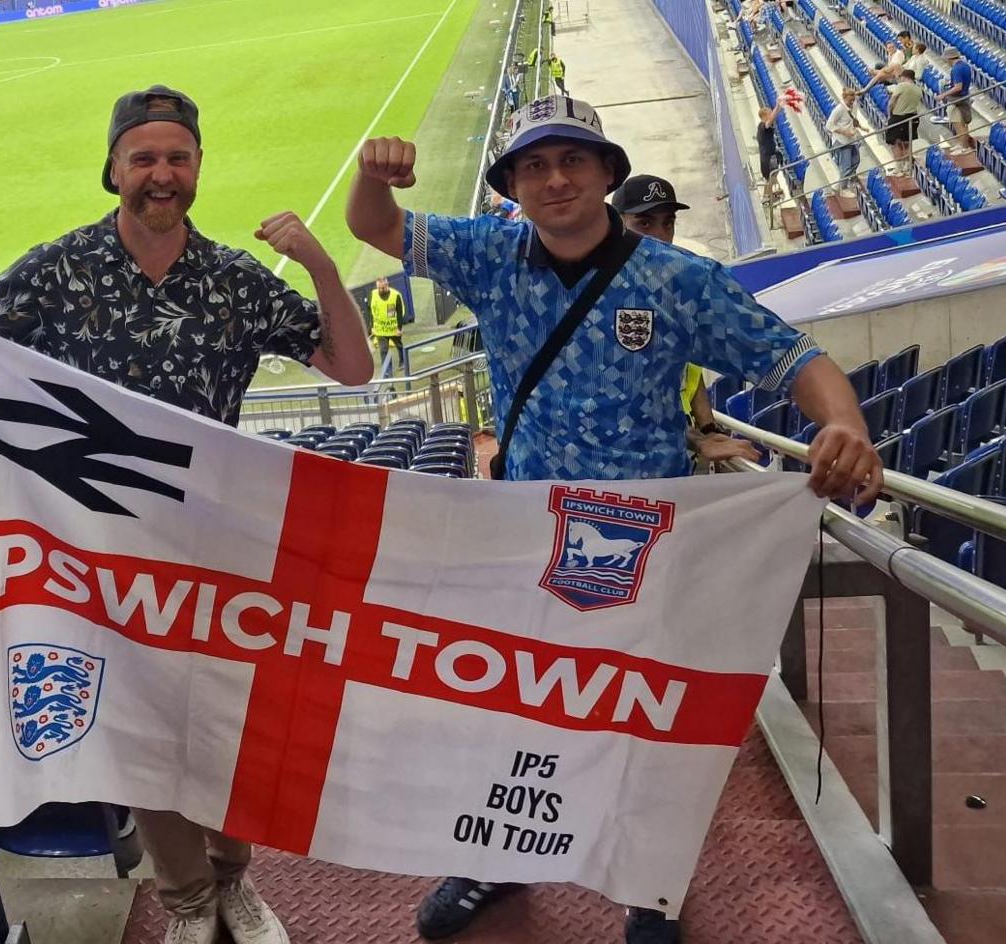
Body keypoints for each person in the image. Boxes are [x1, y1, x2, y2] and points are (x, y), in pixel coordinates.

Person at [346, 95, 881, 944]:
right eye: (534, 165)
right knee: (514, 707)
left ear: (606, 173)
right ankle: (498, 854)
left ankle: (648, 883)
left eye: (572, 161)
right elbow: (378, 227)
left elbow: (796, 360)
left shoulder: (679, 280)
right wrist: (376, 179)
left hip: (648, 545)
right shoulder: (490, 254)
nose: (554, 179)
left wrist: (842, 423)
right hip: (523, 534)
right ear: (514, 184)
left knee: (639, 719)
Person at [0, 84, 373, 944]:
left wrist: (322, 265)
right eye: (144, 158)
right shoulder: (57, 270)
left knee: (218, 730)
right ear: (113, 169)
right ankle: (185, 901)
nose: (162, 174)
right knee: (134, 737)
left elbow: (351, 369)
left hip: (214, 547)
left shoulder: (235, 280)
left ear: (199, 168)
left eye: (178, 157)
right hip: (98, 554)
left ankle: (234, 881)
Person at [611, 175, 761, 467]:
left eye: (668, 223)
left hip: (681, 450)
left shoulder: (679, 289)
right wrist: (693, 437)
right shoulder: (603, 297)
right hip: (630, 468)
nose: (660, 236)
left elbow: (692, 375)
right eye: (644, 223)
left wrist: (708, 429)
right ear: (616, 223)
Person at [369, 276, 410, 378]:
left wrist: (399, 329)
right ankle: (387, 371)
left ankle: (402, 361)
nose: (380, 290)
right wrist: (372, 326)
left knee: (399, 346)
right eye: (379, 288)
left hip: (393, 329)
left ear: (387, 285)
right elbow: (371, 310)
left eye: (382, 288)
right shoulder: (373, 294)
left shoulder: (395, 296)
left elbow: (400, 313)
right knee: (383, 350)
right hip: (380, 330)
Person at [827, 86, 864, 192]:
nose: (852, 102)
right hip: (841, 140)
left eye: (853, 100)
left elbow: (853, 118)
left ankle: (842, 182)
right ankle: (843, 188)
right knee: (846, 165)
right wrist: (843, 131)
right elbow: (829, 125)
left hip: (852, 139)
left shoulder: (854, 105)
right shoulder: (838, 109)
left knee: (856, 161)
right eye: (850, 100)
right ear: (844, 98)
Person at [885, 69, 923, 171]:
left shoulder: (901, 86)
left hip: (899, 116)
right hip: (913, 117)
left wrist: (889, 115)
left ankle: (898, 165)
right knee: (907, 142)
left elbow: (891, 102)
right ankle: (907, 164)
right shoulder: (918, 89)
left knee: (894, 142)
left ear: (905, 77)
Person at [943, 47, 974, 152]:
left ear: (949, 58)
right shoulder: (965, 66)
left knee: (958, 124)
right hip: (964, 97)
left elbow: (958, 87)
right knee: (963, 124)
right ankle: (962, 144)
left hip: (958, 99)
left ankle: (964, 147)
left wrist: (943, 95)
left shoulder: (956, 69)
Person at [756, 102, 785, 200]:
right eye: (769, 114)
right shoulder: (763, 127)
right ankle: (768, 196)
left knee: (770, 178)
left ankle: (768, 195)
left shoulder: (762, 126)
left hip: (769, 155)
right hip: (768, 158)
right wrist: (777, 107)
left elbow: (772, 118)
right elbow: (770, 120)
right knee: (770, 178)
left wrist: (778, 108)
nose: (771, 115)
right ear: (764, 116)